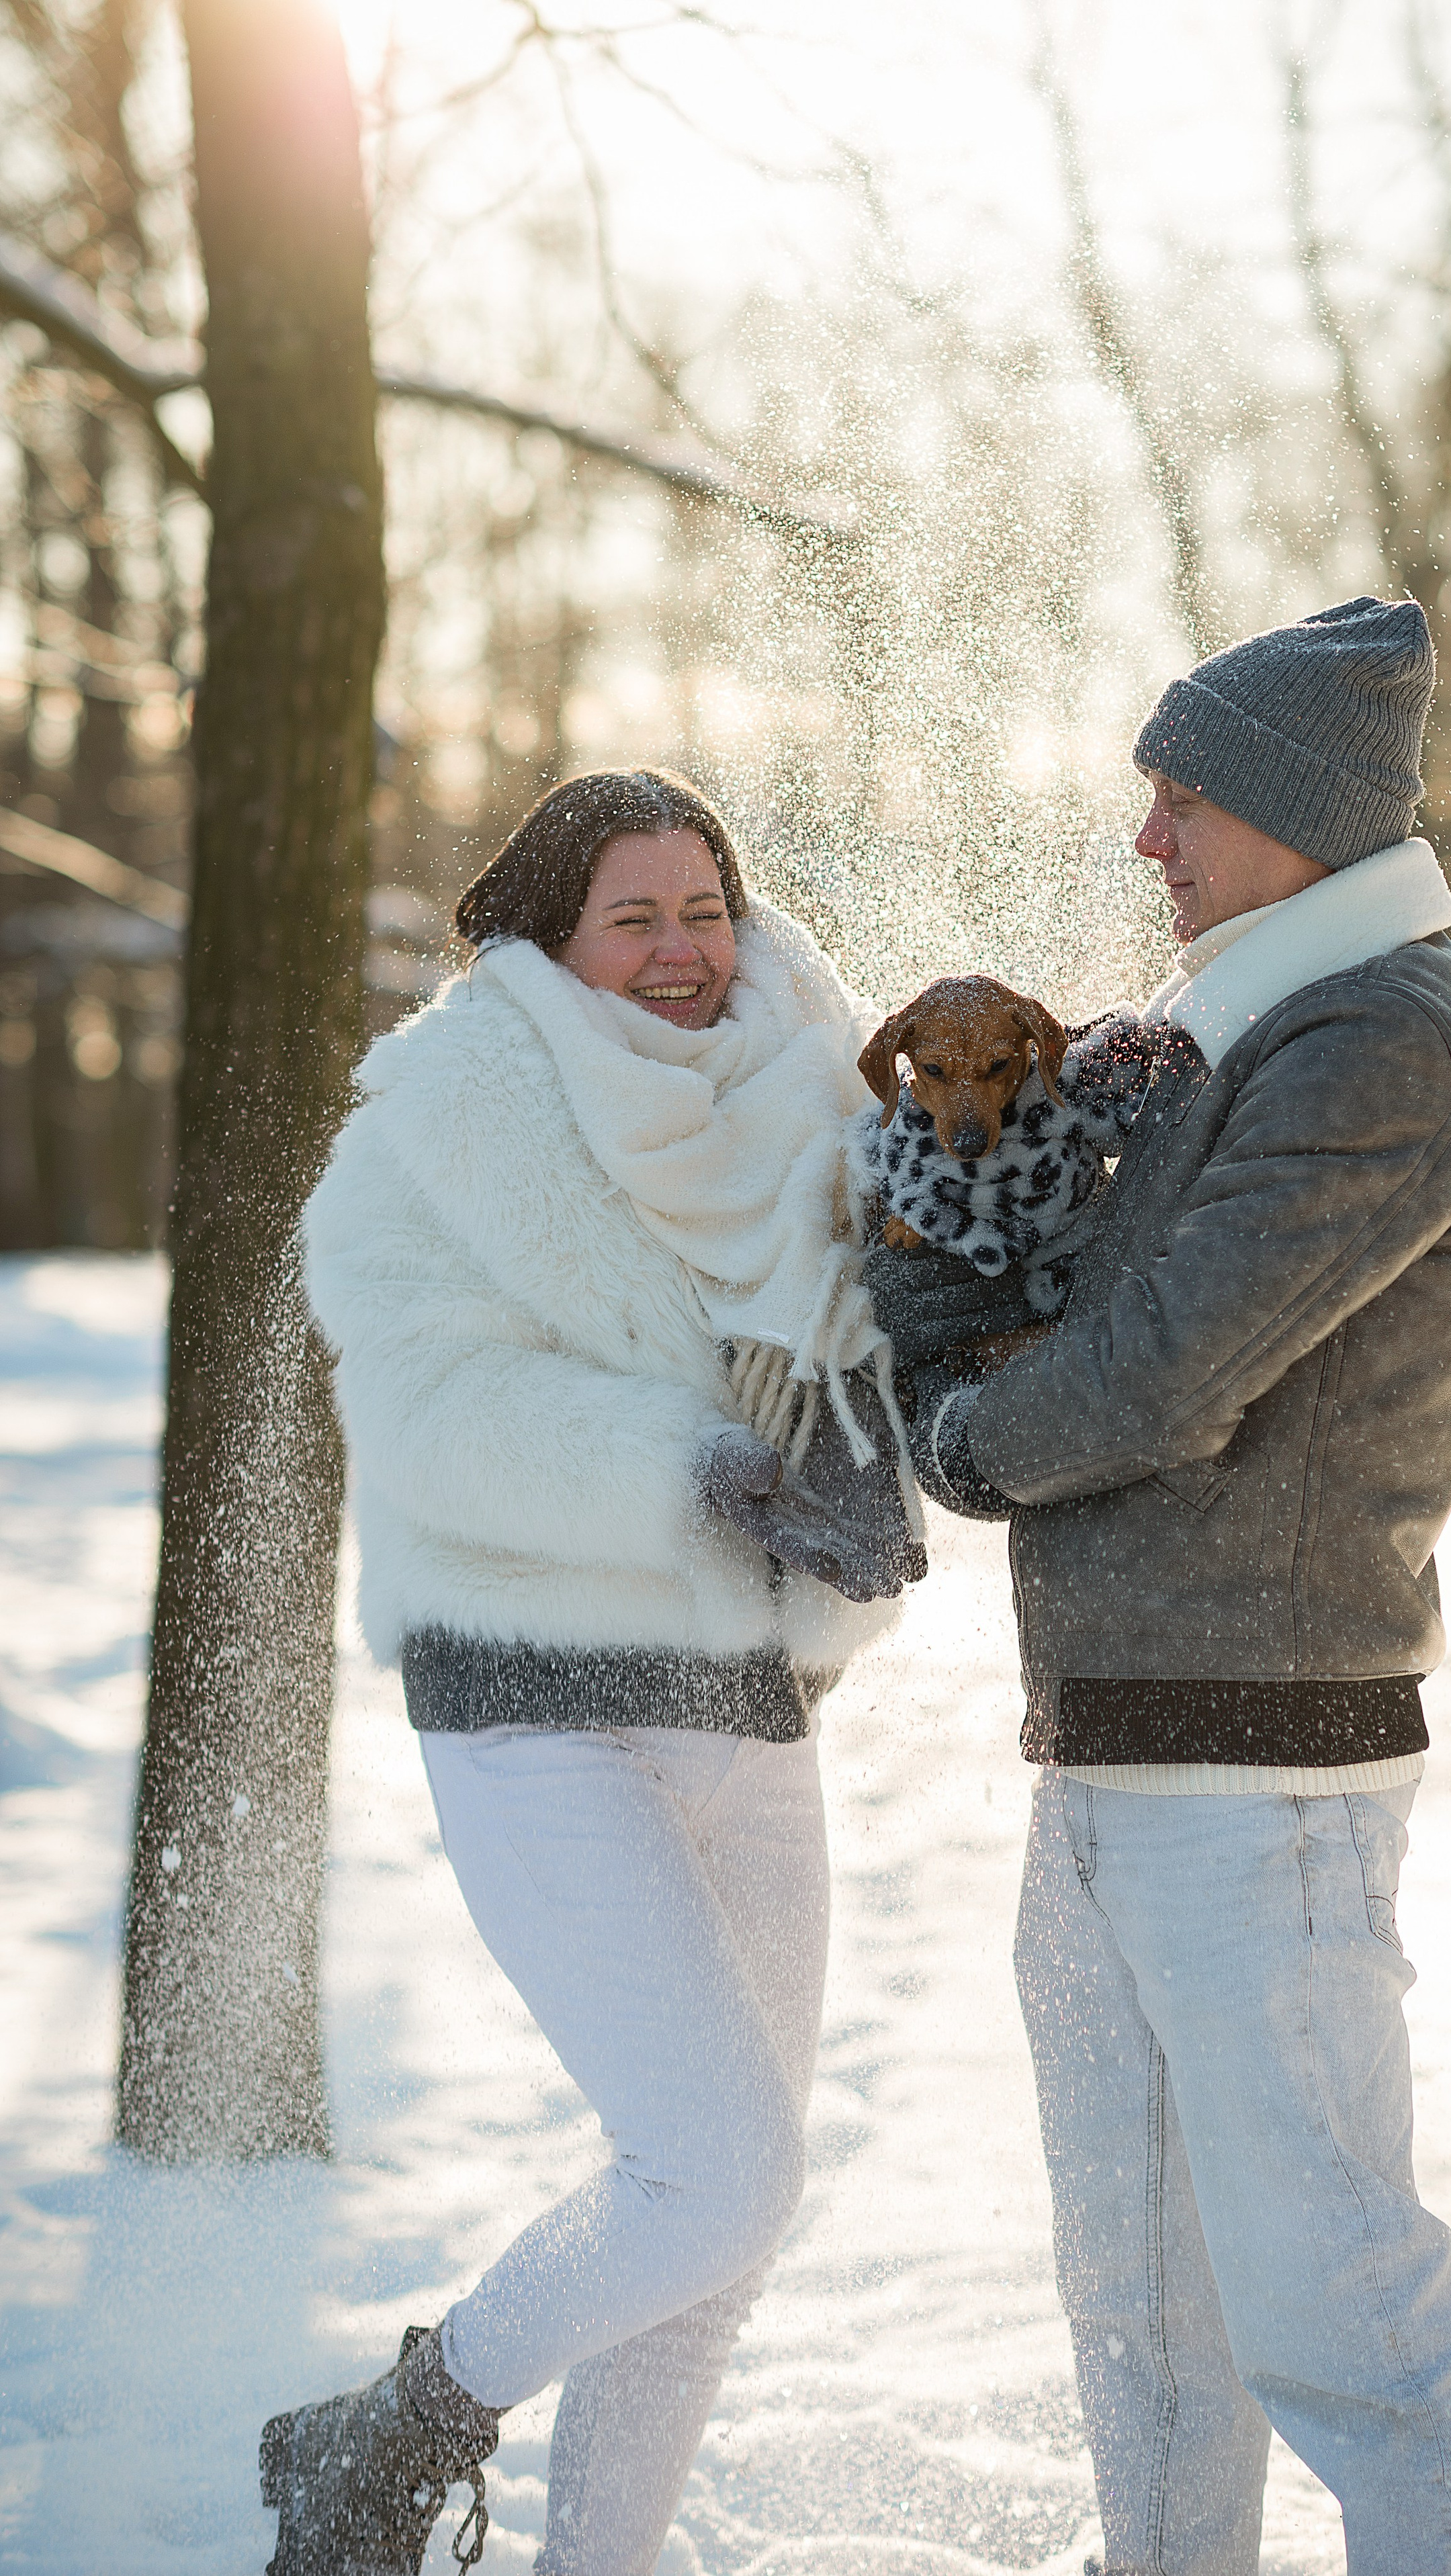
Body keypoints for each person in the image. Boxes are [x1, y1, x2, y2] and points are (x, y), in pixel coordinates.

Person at [868, 598, 1451, 2575]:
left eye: (1183, 799)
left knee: (1340, 2313)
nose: (1146, 838)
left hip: (1267, 1781)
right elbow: (1048, 1274)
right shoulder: (1223, 1032)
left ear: (1296, 811)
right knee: (1149, 2328)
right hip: (1115, 1759)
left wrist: (963, 1441)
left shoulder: (1379, 1043)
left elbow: (1164, 1369)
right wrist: (931, 1254)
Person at [264, 767, 922, 2576]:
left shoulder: (819, 1093)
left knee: (721, 2228)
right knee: (716, 2169)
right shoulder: (439, 1121)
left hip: (748, 1710)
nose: (682, 951)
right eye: (633, 918)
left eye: (705, 910)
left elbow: (876, 1332)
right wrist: (694, 1468)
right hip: (534, 1707)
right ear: (548, 938)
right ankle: (388, 2436)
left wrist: (862, 1464)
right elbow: (430, 1407)